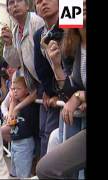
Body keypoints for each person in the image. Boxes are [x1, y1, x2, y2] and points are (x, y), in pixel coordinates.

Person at [36, 0, 87, 178]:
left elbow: (75, 96)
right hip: (80, 124)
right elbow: (69, 94)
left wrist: (80, 97)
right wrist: (56, 66)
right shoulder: (74, 46)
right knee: (45, 167)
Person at [32, 0, 61, 158]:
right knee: (46, 134)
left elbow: (73, 62)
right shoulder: (38, 35)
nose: (42, 3)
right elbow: (41, 69)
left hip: (74, 92)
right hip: (53, 93)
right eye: (38, 1)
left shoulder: (72, 22)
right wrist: (49, 91)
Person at [7, 76, 40, 178]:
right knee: (16, 173)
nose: (15, 91)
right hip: (15, 141)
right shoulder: (16, 103)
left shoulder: (31, 104)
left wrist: (15, 105)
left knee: (23, 175)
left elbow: (35, 93)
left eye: (18, 88)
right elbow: (10, 121)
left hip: (25, 142)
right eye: (13, 89)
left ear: (27, 90)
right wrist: (13, 101)